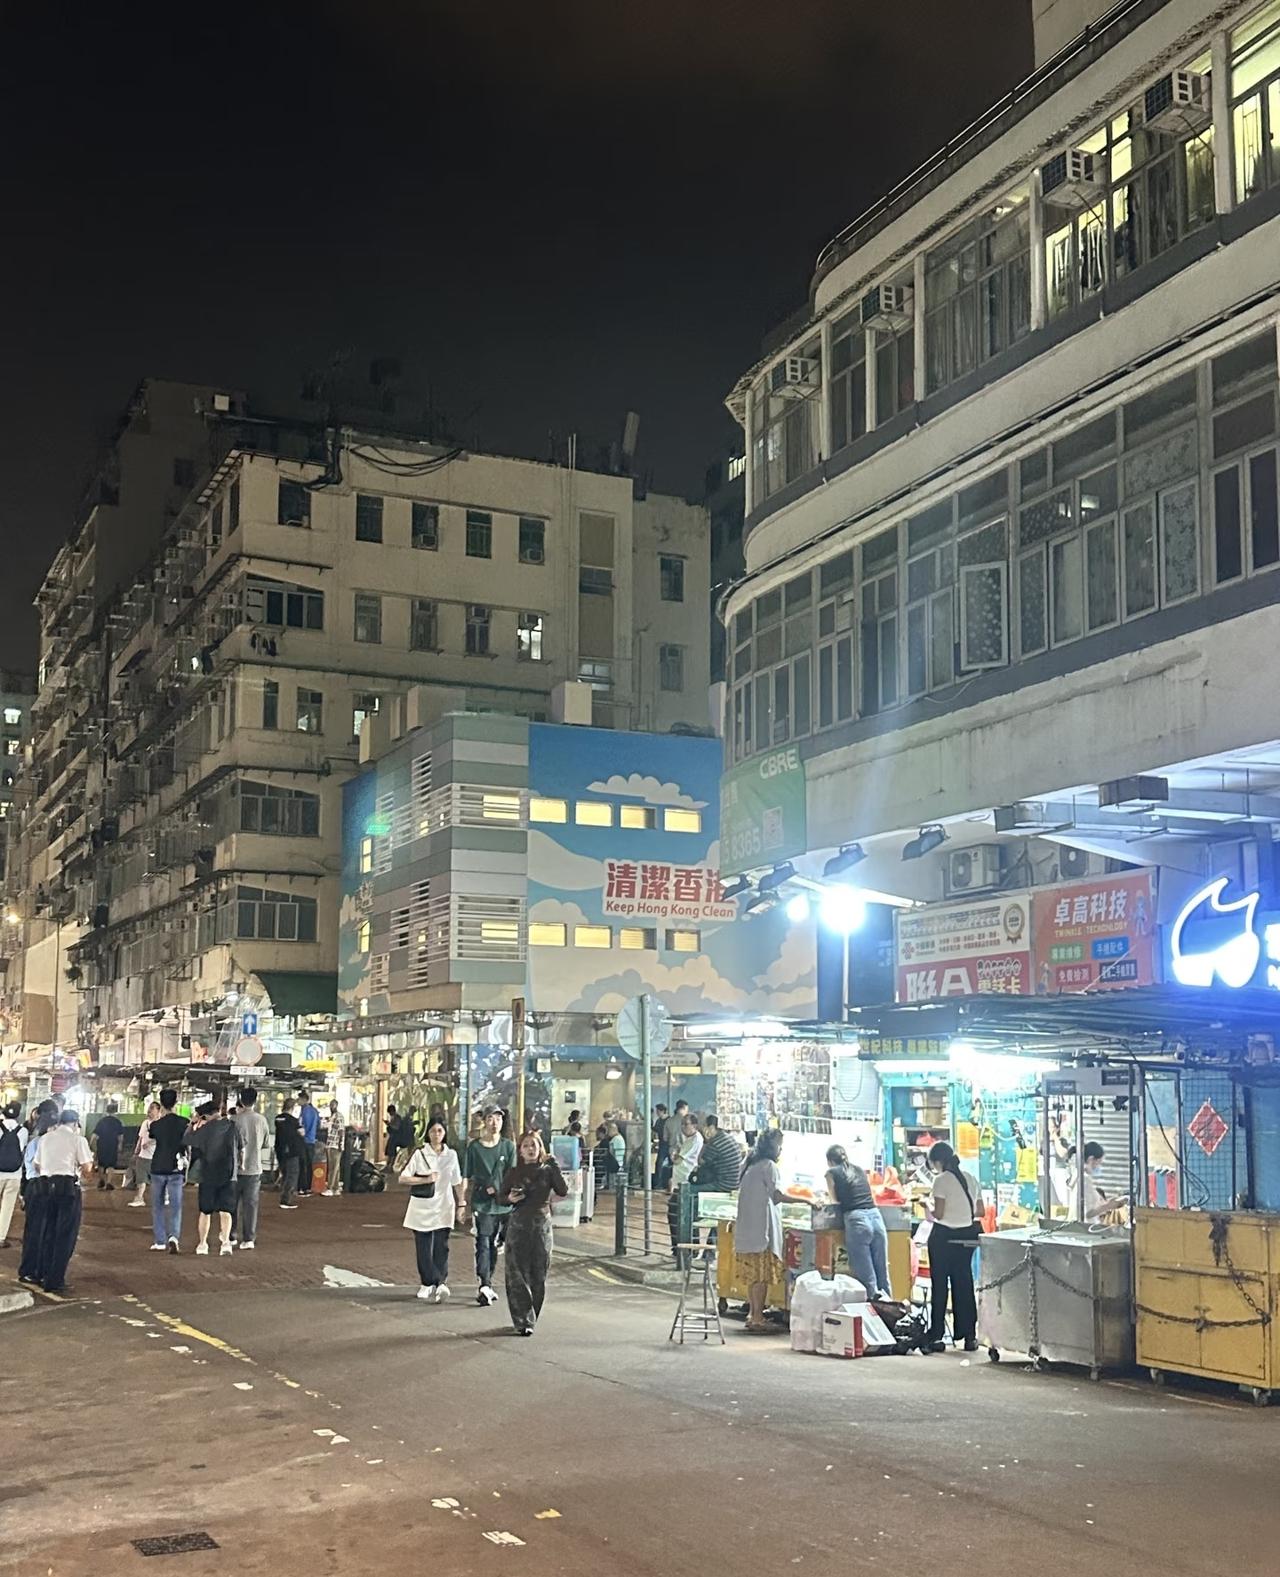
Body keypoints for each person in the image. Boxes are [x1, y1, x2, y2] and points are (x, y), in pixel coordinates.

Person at [735, 1129, 808, 1333]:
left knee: (754, 1276)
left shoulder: (750, 1164)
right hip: (762, 1231)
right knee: (761, 1276)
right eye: (779, 1146)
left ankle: (753, 1314)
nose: (781, 1150)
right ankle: (758, 1318)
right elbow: (777, 1196)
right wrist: (807, 1201)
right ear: (772, 1147)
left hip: (749, 1229)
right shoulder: (769, 1166)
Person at [499, 1131, 568, 1335]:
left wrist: (554, 1165)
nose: (530, 1149)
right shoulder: (514, 1172)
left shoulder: (547, 1171)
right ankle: (522, 1320)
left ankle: (532, 1315)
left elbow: (562, 1190)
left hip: (541, 1224)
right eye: (526, 1146)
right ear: (520, 1150)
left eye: (534, 1145)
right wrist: (510, 1199)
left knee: (539, 1272)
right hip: (519, 1224)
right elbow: (501, 1197)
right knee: (516, 1273)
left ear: (540, 1148)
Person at [924, 1140, 984, 1353]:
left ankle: (937, 1336)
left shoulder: (940, 1180)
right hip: (966, 1237)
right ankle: (969, 1336)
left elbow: (939, 1214)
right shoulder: (971, 1178)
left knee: (940, 1286)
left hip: (943, 1237)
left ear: (937, 1162)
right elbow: (980, 1211)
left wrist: (927, 1204)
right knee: (964, 1284)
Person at [400, 1116, 465, 1301]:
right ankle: (427, 1282)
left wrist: (461, 1203)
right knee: (423, 1247)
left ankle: (441, 1282)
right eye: (433, 1131)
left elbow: (457, 1181)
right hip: (422, 1207)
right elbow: (403, 1178)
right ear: (427, 1134)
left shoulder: (451, 1155)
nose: (436, 1135)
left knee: (441, 1246)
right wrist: (425, 1179)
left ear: (445, 1133)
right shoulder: (420, 1154)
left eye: (440, 1131)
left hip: (444, 1205)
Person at [34, 1109, 94, 1295]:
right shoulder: (78, 1140)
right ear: (75, 1123)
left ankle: (42, 1273)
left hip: (45, 1186)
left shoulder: (45, 1138)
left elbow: (37, 1165)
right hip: (67, 1187)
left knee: (48, 1231)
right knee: (65, 1234)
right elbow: (87, 1167)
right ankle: (55, 1279)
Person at [462, 1107, 516, 1306]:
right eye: (491, 1119)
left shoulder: (508, 1147)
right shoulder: (474, 1148)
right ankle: (484, 1284)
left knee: (494, 1244)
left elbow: (513, 1174)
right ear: (484, 1121)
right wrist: (462, 1203)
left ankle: (488, 1281)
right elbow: (465, 1175)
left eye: (499, 1119)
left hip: (504, 1205)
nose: (495, 1123)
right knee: (483, 1242)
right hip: (482, 1203)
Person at [825, 1144, 891, 1299]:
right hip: (876, 1218)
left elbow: (834, 1201)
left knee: (867, 1279)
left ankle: (872, 1311)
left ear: (829, 1161)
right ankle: (889, 1309)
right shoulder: (859, 1170)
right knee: (883, 1275)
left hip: (857, 1221)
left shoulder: (831, 1173)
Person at [186, 1101, 238, 1256]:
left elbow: (187, 1139)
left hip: (208, 1174)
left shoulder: (205, 1129)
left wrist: (192, 1123)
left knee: (205, 1211)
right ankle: (226, 1243)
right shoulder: (232, 1126)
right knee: (226, 1211)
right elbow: (241, 1146)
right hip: (228, 1173)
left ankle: (203, 1244)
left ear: (206, 1115)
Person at [17, 1101, 58, 1285]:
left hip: (35, 1187)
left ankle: (33, 1270)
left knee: (36, 1230)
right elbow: (37, 1167)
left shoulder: (34, 1141)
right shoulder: (44, 1142)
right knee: (42, 1231)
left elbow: (27, 1168)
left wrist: (23, 1193)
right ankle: (33, 1270)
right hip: (43, 1186)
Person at [148, 1089, 189, 1253]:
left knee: (157, 1205)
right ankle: (174, 1236)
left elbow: (152, 1136)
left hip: (158, 1166)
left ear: (161, 1103)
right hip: (176, 1167)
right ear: (176, 1102)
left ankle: (160, 1241)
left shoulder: (156, 1125)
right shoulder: (184, 1123)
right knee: (176, 1205)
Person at [232, 1088, 269, 1248]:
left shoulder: (234, 1120)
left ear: (241, 1100)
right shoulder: (261, 1120)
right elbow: (265, 1143)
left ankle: (231, 1235)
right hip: (254, 1168)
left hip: (235, 1169)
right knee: (251, 1205)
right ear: (255, 1100)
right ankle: (248, 1239)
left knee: (232, 1204)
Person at [667, 1111, 705, 1259]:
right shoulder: (688, 1139)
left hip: (686, 1183)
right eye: (682, 1124)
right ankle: (681, 1248)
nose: (683, 1127)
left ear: (694, 1125)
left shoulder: (695, 1140)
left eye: (686, 1124)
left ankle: (686, 1249)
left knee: (679, 1214)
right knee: (681, 1215)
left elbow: (677, 1159)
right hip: (680, 1182)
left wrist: (674, 1156)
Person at [1066, 1141, 1120, 1222]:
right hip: (1084, 1226)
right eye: (1099, 1163)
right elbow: (1086, 1213)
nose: (1099, 1167)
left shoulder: (1078, 1175)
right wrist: (1109, 1206)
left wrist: (1105, 1203)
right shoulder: (1084, 1180)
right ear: (1091, 1159)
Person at [0, 1101, 27, 1248]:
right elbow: (22, 1150)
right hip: (14, 1174)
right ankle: (1, 1237)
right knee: (7, 1207)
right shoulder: (23, 1131)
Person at [696, 1115, 745, 1193]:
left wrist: (705, 1141)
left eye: (704, 1126)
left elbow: (700, 1161)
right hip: (735, 1184)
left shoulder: (715, 1142)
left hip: (723, 1185)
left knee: (691, 1188)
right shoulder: (729, 1137)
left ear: (711, 1127)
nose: (702, 1129)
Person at [128, 1101, 160, 1208]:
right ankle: (139, 1198)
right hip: (143, 1156)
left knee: (157, 1180)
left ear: (158, 1111)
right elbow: (140, 1139)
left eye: (152, 1108)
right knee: (141, 1179)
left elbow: (162, 1139)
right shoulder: (145, 1123)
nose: (149, 1110)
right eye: (149, 1108)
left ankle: (164, 1195)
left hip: (155, 1157)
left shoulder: (161, 1124)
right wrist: (136, 1152)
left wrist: (150, 1143)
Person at [275, 1098, 305, 1208]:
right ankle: (286, 1199)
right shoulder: (293, 1121)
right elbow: (302, 1132)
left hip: (280, 1150)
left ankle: (283, 1196)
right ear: (292, 1107)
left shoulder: (278, 1119)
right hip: (292, 1151)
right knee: (292, 1174)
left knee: (285, 1173)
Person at [92, 1102, 125, 1190]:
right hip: (113, 1145)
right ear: (116, 1111)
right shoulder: (118, 1122)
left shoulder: (101, 1121)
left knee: (101, 1163)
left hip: (101, 1145)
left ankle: (101, 1180)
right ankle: (109, 1182)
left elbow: (95, 1135)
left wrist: (92, 1145)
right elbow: (120, 1136)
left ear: (106, 1111)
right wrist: (120, 1145)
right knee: (111, 1164)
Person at [296, 1091, 319, 1197]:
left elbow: (304, 1126)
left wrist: (300, 1134)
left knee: (303, 1164)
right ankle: (307, 1187)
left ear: (304, 1099)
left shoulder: (306, 1111)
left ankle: (303, 1187)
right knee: (309, 1164)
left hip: (305, 1141)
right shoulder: (313, 1111)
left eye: (299, 1099)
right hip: (311, 1140)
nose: (298, 1101)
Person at [323, 1100, 346, 1196]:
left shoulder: (338, 1116)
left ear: (336, 1105)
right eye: (330, 1105)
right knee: (335, 1167)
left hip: (335, 1145)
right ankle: (335, 1188)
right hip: (331, 1143)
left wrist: (341, 1144)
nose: (331, 1107)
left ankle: (330, 1187)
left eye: (333, 1105)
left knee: (333, 1167)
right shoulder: (332, 1117)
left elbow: (341, 1131)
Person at [652, 1103, 670, 1185]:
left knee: (669, 1163)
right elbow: (655, 1130)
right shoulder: (658, 1121)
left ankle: (666, 1181)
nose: (657, 1113)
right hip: (662, 1144)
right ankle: (658, 1182)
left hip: (668, 1144)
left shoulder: (669, 1120)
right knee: (659, 1163)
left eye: (658, 1111)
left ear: (662, 1111)